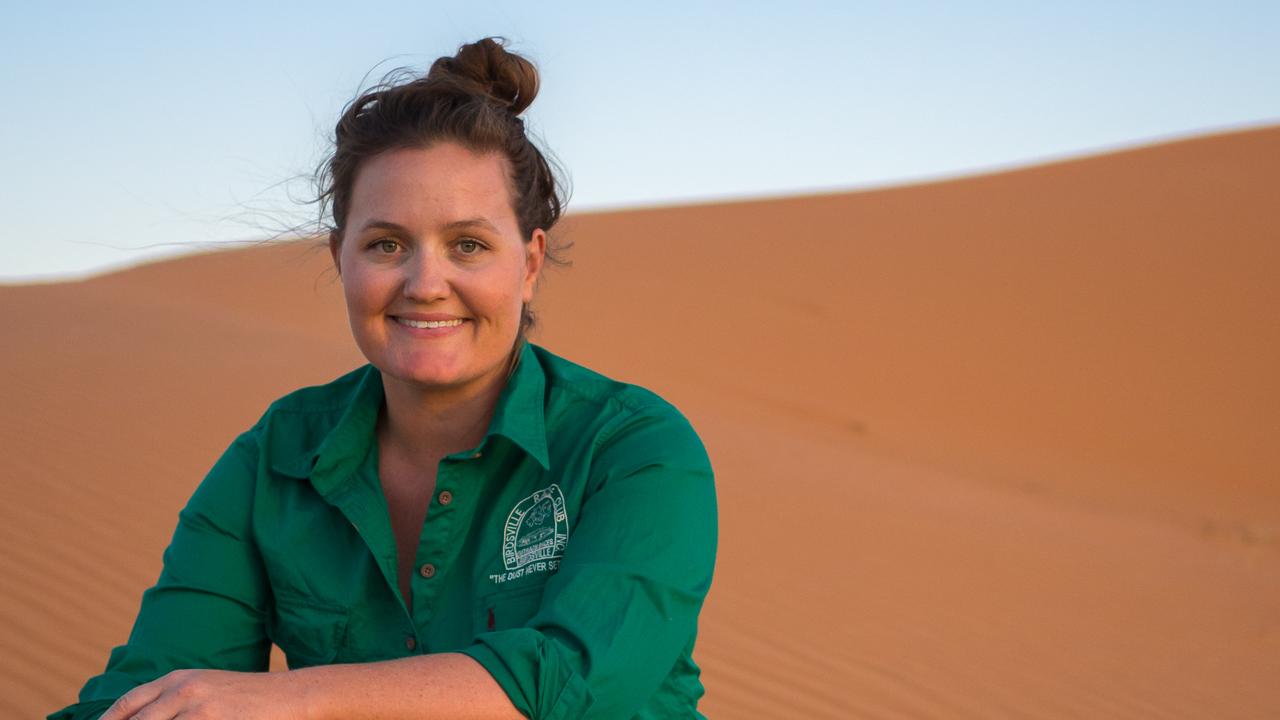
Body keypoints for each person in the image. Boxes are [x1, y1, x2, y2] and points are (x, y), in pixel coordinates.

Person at [50, 37, 717, 720]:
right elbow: (159, 687)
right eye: (386, 244)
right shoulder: (273, 463)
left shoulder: (634, 450)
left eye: (468, 245)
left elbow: (573, 682)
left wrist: (296, 699)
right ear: (342, 258)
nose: (426, 284)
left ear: (529, 262)